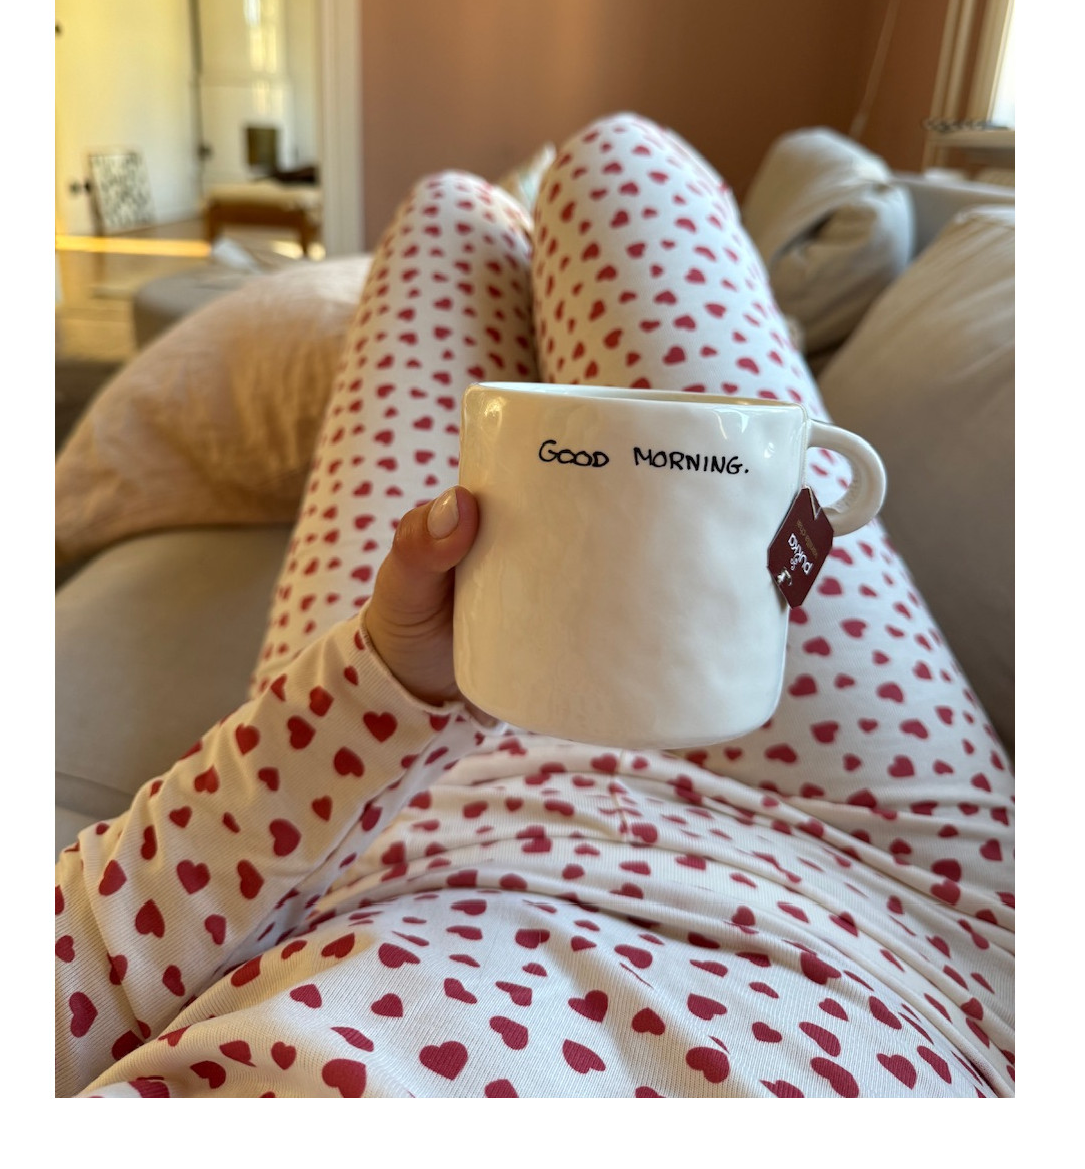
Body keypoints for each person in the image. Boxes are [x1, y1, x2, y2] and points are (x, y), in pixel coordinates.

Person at [55, 113, 1014, 1099]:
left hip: (384, 790)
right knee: (609, 169)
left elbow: (84, 956)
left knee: (456, 211)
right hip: (886, 902)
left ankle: (521, 250)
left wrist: (383, 686)